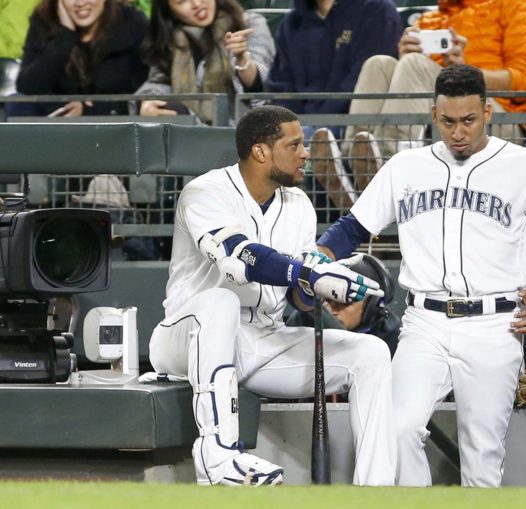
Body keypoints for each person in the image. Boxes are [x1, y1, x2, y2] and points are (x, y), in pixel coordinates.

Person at [317, 64, 526, 487]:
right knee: (397, 430)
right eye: (448, 121)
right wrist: (314, 258)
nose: (458, 132)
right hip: (424, 323)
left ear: (488, 112)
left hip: (495, 324)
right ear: (434, 115)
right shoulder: (406, 166)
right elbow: (351, 229)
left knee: (482, 459)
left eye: (468, 120)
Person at [148, 105, 397, 486]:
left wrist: (319, 286)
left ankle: (376, 490)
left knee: (370, 354)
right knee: (220, 302)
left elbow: (297, 296)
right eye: (294, 145)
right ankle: (218, 459)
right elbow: (240, 256)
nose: (305, 153)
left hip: (262, 340)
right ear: (261, 151)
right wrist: (307, 272)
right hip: (187, 339)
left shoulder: (299, 205)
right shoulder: (204, 192)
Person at [311, 0, 526, 210]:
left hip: (496, 121)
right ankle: (355, 161)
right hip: (440, 124)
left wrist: (465, 72)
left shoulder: (517, 6)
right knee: (379, 64)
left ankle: (388, 166)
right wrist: (403, 59)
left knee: (414, 64)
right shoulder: (429, 20)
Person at [265, 0, 401, 214]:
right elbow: (281, 88)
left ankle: (359, 210)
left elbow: (367, 83)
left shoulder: (377, 10)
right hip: (303, 125)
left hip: (352, 123)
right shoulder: (291, 24)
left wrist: (311, 126)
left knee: (312, 139)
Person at [137, 0, 274, 124]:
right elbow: (158, 81)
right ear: (171, 12)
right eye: (182, 1)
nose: (196, 4)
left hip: (243, 127)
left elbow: (263, 81)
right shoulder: (172, 40)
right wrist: (149, 103)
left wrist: (242, 59)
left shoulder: (249, 23)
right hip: (191, 129)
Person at [9, 0, 149, 117]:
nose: (80, 3)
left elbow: (146, 91)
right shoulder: (44, 20)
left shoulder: (131, 22)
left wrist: (89, 110)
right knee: (17, 104)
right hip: (60, 127)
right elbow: (27, 88)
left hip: (116, 126)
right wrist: (65, 37)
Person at [287, 253, 401, 357]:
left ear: (371, 307)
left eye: (343, 304)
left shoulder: (395, 338)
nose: (331, 311)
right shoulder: (306, 319)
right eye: (328, 301)